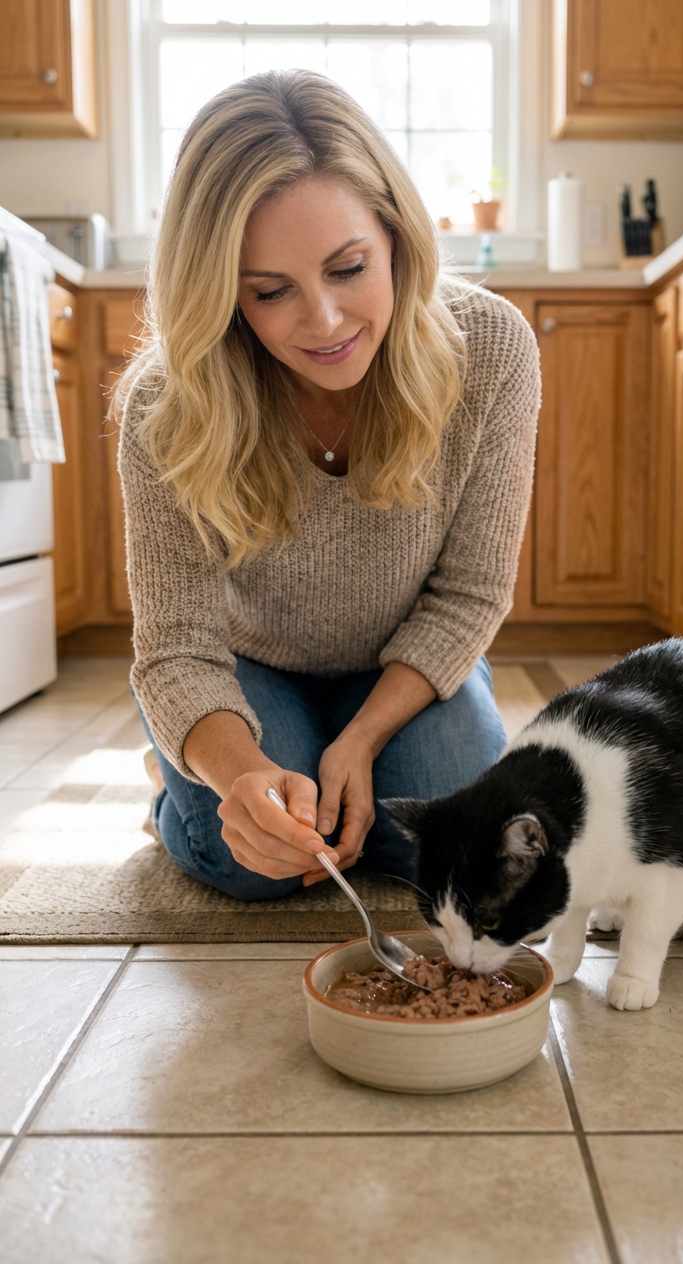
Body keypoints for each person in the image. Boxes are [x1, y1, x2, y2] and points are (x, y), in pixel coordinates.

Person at [116, 70, 540, 902]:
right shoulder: (167, 401)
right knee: (257, 856)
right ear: (224, 296)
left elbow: (472, 595)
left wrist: (362, 740)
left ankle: (305, 754)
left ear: (396, 237)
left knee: (447, 835)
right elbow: (175, 648)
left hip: (405, 664)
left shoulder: (492, 349)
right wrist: (236, 775)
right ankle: (175, 787)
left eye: (349, 268)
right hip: (247, 668)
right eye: (270, 292)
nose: (325, 321)